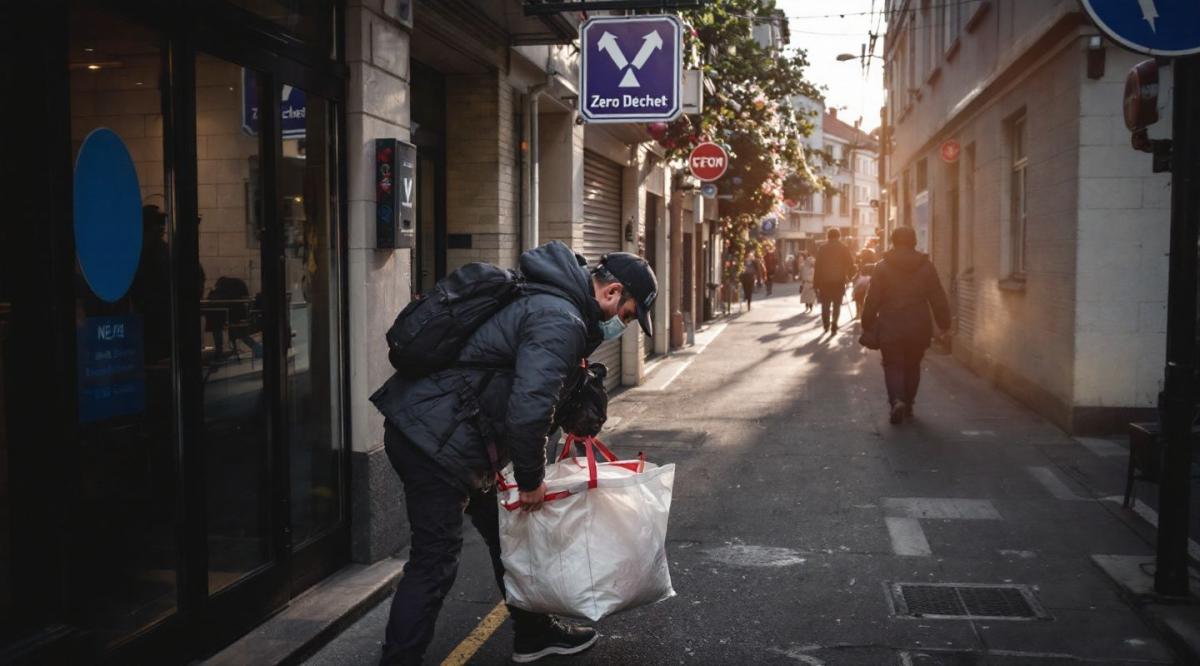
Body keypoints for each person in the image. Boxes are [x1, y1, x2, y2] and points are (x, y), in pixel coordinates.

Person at [370, 241, 658, 665]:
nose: (623, 324)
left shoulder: (554, 304)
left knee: (508, 534)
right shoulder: (561, 319)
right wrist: (531, 481)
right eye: (629, 314)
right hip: (437, 440)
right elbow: (528, 412)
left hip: (455, 433)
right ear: (613, 292)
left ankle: (533, 631)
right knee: (434, 562)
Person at [860, 226, 951, 425]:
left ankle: (897, 400)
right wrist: (944, 322)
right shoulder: (926, 266)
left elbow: (872, 299)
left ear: (893, 241)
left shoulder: (882, 266)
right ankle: (909, 404)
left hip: (890, 324)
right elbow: (937, 296)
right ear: (914, 241)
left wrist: (866, 321)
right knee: (912, 365)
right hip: (918, 325)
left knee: (892, 364)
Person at [813, 228, 855, 333]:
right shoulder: (843, 248)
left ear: (828, 236)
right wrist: (848, 276)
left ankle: (826, 324)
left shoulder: (822, 248)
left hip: (824, 281)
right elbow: (851, 263)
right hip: (839, 281)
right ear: (839, 236)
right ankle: (834, 324)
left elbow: (817, 266)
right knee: (837, 304)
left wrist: (815, 283)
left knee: (825, 304)